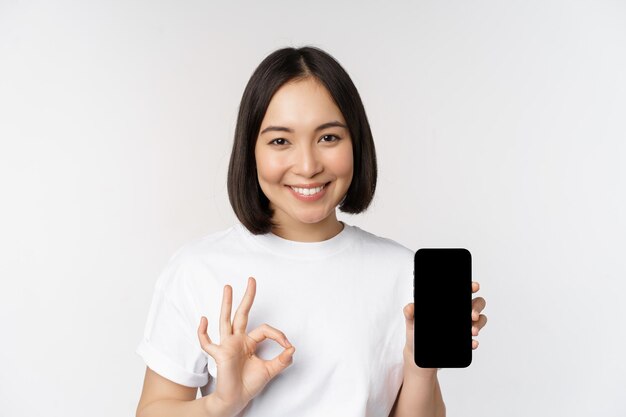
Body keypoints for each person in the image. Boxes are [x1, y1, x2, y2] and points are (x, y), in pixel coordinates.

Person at [135, 45, 488, 417]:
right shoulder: (198, 269)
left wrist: (420, 364)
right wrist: (221, 404)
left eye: (328, 138)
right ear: (250, 150)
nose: (307, 166)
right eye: (280, 141)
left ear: (357, 143)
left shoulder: (403, 272)